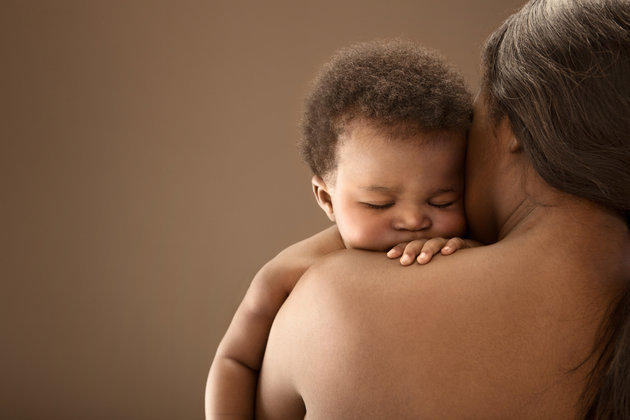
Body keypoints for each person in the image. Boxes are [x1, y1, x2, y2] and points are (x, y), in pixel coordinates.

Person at [255, 0, 630, 418]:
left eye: (478, 111)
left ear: (513, 128)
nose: (415, 220)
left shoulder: (330, 305)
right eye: (380, 202)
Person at [205, 40, 480, 418]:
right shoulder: (291, 271)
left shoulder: (457, 246)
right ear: (326, 199)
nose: (415, 220)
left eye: (442, 200)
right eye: (379, 205)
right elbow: (234, 360)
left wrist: (466, 252)